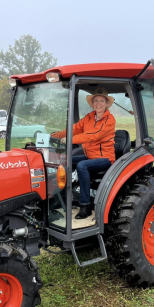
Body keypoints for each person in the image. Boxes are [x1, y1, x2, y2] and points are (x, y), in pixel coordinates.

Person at [52, 87, 116, 219]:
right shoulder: (89, 117)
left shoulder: (110, 119)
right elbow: (74, 129)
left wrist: (71, 140)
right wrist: (56, 136)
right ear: (92, 103)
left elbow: (94, 135)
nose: (98, 103)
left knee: (82, 165)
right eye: (96, 101)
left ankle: (85, 206)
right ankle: (60, 197)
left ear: (107, 104)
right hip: (90, 156)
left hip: (105, 158)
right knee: (64, 160)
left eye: (102, 101)